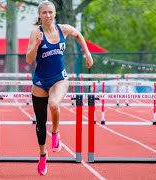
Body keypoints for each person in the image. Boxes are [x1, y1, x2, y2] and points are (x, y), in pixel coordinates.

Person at [26, 0, 93, 176]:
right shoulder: (36, 33)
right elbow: (29, 60)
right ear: (39, 15)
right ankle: (42, 155)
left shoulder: (63, 29)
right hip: (40, 81)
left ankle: (55, 133)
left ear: (55, 13)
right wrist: (37, 45)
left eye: (50, 12)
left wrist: (87, 54)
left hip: (59, 78)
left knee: (54, 104)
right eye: (44, 13)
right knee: (40, 123)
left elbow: (78, 34)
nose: (48, 15)